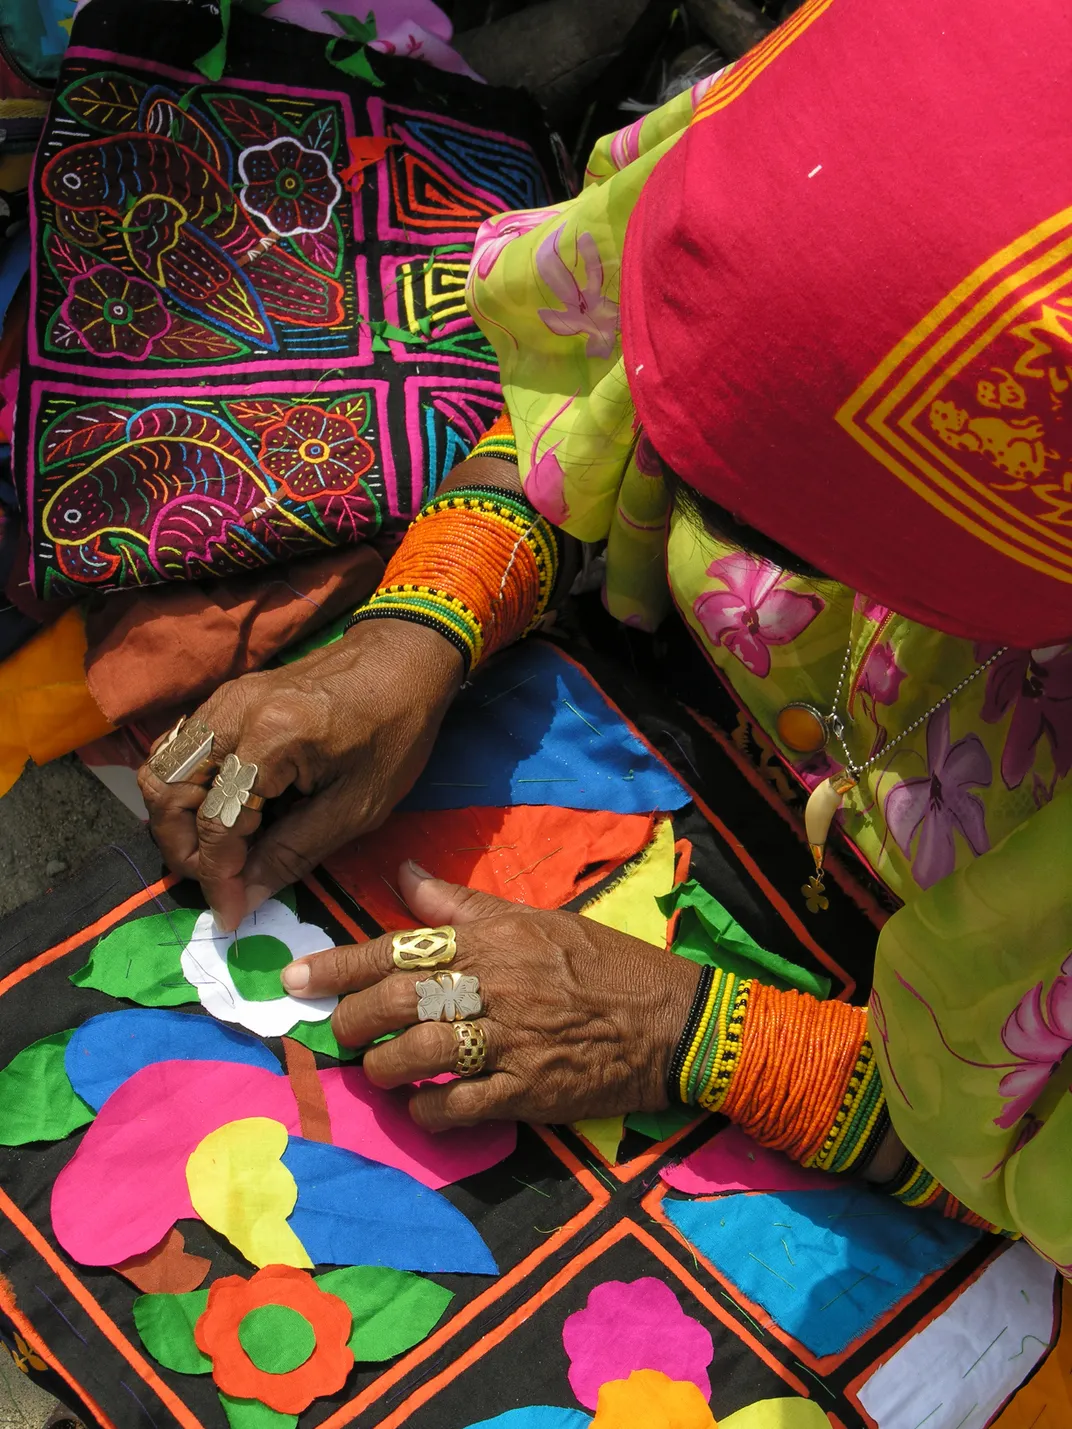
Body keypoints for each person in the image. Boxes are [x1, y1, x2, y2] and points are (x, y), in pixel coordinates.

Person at [139, 0, 1072, 1268]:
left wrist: (705, 1035)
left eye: (785, 529)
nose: (681, 505)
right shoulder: (910, 120)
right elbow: (625, 384)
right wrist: (414, 631)